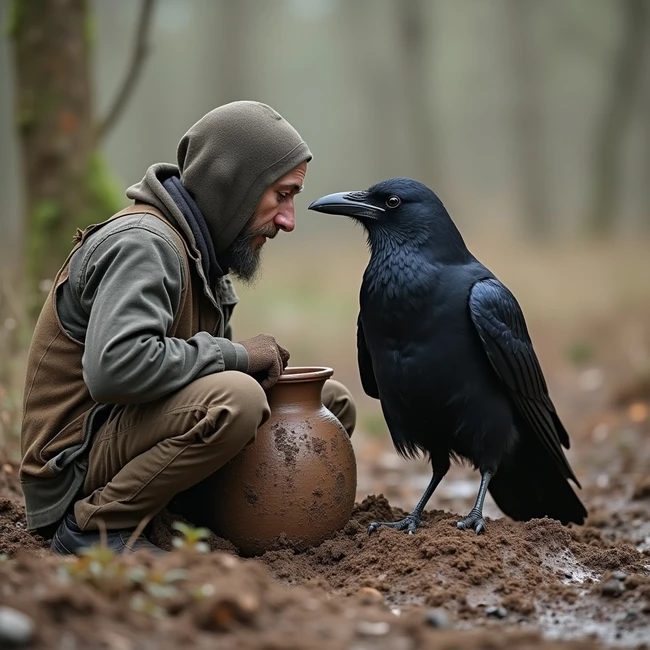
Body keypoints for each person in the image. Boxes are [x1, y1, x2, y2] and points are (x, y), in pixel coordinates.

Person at [18, 101, 357, 555]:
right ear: (233, 184)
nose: (288, 221)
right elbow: (115, 368)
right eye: (281, 195)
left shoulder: (202, 254)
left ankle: (234, 520)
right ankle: (95, 528)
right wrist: (239, 357)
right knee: (236, 400)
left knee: (328, 400)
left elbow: (188, 377)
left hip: (131, 437)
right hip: (74, 466)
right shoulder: (144, 244)